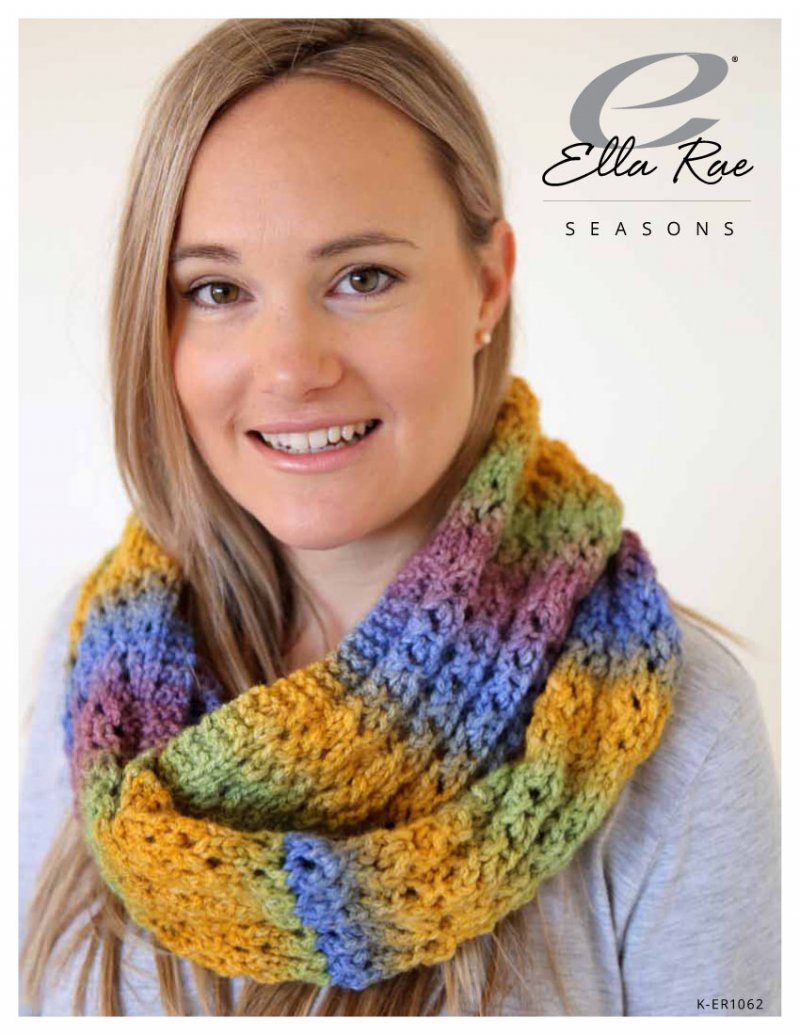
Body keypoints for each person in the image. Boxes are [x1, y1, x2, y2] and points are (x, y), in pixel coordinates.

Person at [19, 18, 779, 1017]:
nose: (291, 368)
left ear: (486, 286)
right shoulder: (93, 661)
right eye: (217, 289)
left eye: (362, 278)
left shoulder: (674, 723)